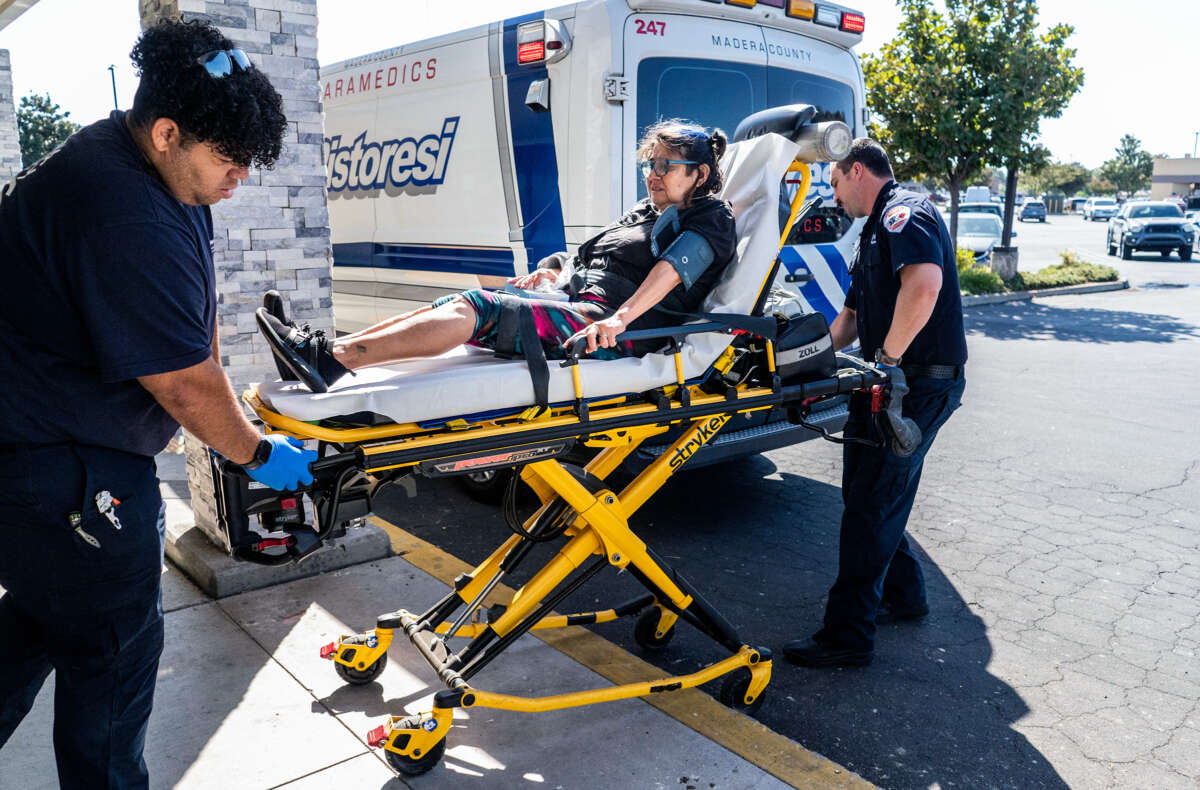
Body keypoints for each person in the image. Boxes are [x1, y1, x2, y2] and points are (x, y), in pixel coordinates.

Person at [0, 19, 317, 788]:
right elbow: (179, 380)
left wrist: (201, 410)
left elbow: (191, 324)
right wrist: (254, 451)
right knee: (114, 655)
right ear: (169, 131)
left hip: (48, 446)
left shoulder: (160, 171)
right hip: (60, 466)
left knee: (46, 619)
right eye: (229, 162)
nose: (238, 179)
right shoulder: (121, 207)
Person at [259, 121, 736, 392]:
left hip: (615, 333)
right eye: (649, 165)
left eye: (666, 166)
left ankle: (334, 358)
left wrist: (621, 320)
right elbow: (596, 262)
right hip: (587, 311)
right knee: (460, 301)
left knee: (480, 306)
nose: (653, 175)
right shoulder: (645, 213)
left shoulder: (709, 216)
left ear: (699, 174)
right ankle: (323, 355)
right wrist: (553, 272)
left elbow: (669, 272)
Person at [783, 139, 967, 668]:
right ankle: (904, 596)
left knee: (873, 504)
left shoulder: (905, 214)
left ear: (856, 170)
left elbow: (925, 286)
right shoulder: (871, 232)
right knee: (868, 495)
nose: (833, 197)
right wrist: (793, 361)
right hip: (885, 381)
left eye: (835, 184)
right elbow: (848, 322)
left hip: (915, 386)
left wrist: (887, 359)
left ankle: (847, 637)